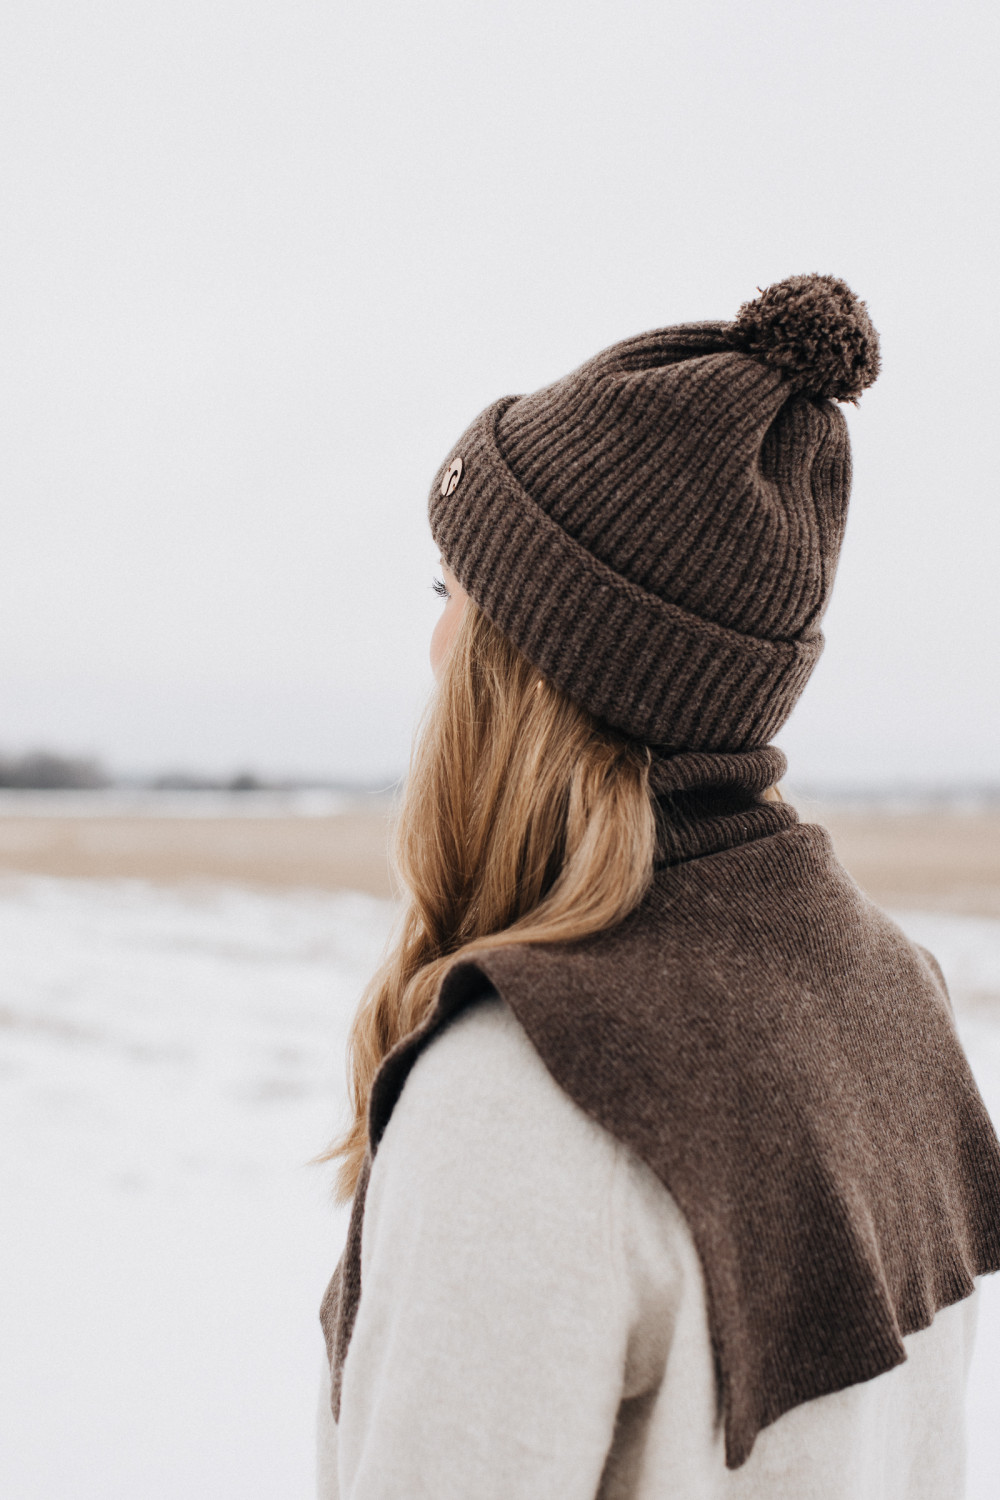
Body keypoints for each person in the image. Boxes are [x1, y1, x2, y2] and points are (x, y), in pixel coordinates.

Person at [316, 274, 1000, 1499]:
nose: (432, 642)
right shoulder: (895, 998)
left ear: (532, 657)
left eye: (449, 594)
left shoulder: (529, 1095)